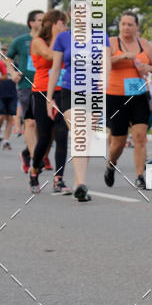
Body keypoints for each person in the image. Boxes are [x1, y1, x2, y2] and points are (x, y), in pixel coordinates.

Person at [47, 19, 111, 201]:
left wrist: (104, 81)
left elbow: (106, 63)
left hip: (94, 92)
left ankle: (78, 184)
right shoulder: (63, 38)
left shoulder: (101, 36)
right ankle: (82, 184)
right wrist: (49, 97)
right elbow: (56, 68)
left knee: (87, 138)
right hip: (70, 91)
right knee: (79, 132)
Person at [104, 11, 152, 191]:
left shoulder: (144, 44)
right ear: (119, 26)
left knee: (140, 136)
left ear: (137, 27)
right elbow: (103, 63)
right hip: (116, 96)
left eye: (130, 24)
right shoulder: (111, 42)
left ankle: (140, 176)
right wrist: (122, 56)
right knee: (118, 142)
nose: (126, 27)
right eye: (123, 24)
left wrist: (149, 67)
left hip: (139, 95)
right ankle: (111, 164)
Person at [29, 11, 69, 193]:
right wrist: (56, 36)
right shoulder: (38, 42)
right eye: (62, 24)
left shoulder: (65, 40)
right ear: (53, 24)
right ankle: (34, 170)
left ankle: (58, 179)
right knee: (44, 137)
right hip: (42, 92)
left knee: (62, 135)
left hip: (63, 91)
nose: (65, 28)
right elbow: (50, 56)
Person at [6, 10, 43, 172]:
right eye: (40, 20)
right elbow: (8, 58)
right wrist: (13, 73)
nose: (43, 23)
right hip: (26, 85)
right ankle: (35, 159)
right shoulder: (21, 41)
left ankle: (27, 153)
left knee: (43, 125)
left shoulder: (48, 40)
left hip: (45, 85)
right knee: (30, 121)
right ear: (31, 23)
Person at [0, 55, 17, 149]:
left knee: (10, 117)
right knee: (1, 116)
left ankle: (6, 141)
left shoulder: (15, 64)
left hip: (12, 93)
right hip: (1, 93)